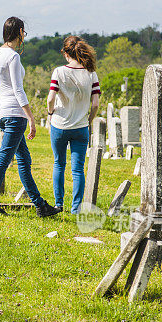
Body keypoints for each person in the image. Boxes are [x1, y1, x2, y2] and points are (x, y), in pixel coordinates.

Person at [0, 17, 59, 217]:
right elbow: (18, 90)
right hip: (15, 113)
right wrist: (31, 118)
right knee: (4, 158)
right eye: (23, 32)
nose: (24, 36)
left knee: (24, 159)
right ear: (19, 32)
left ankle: (40, 205)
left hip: (1, 111)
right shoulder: (13, 57)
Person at [47, 35, 100, 214]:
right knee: (77, 169)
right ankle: (76, 208)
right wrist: (89, 120)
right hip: (80, 126)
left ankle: (58, 203)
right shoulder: (91, 73)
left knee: (59, 164)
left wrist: (50, 112)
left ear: (65, 52)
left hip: (60, 124)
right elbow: (95, 104)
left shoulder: (59, 72)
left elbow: (50, 99)